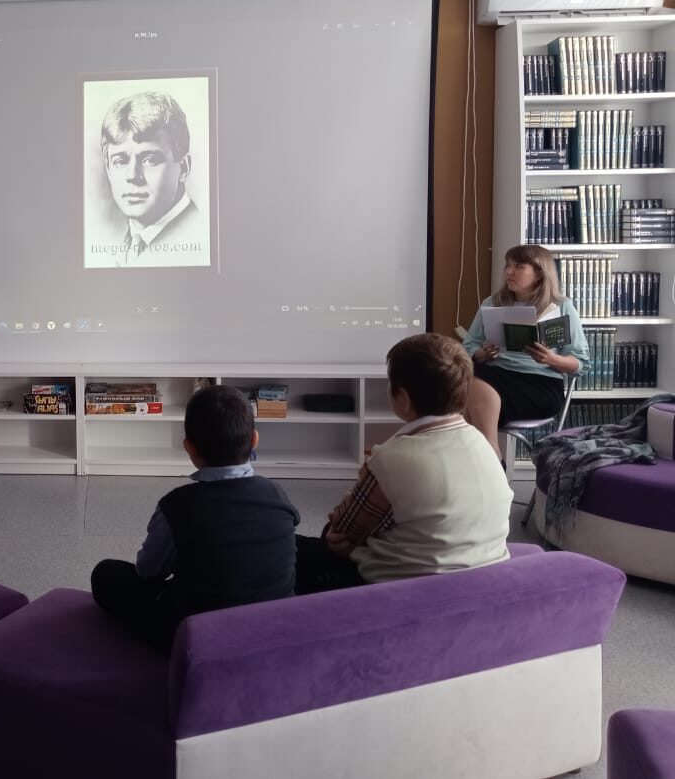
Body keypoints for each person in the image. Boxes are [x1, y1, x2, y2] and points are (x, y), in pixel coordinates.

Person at [293, 333, 514, 595]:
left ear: (404, 399)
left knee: (289, 546)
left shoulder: (392, 458)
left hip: (403, 591)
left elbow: (342, 530)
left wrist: (339, 536)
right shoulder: (483, 444)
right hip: (483, 578)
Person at [89, 384, 299, 651]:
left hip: (197, 639)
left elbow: (149, 572)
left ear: (189, 448)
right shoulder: (277, 494)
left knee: (107, 574)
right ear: (255, 439)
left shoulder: (176, 506)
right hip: (273, 629)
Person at [463, 244, 589, 455]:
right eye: (508, 265)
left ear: (539, 273)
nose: (509, 271)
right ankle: (491, 458)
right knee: (465, 377)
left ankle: (490, 457)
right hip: (495, 376)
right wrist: (482, 354)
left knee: (468, 385)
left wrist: (551, 359)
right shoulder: (492, 303)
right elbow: (469, 345)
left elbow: (581, 363)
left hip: (540, 385)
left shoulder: (562, 306)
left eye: (519, 266)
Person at [97, 90, 208, 267]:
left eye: (150, 160)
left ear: (184, 168)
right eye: (120, 161)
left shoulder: (202, 239)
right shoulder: (123, 245)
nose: (133, 176)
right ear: (108, 167)